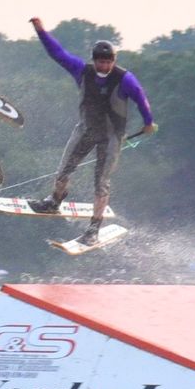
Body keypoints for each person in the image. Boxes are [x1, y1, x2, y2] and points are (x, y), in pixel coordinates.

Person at [26, 17, 158, 245]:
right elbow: (57, 53)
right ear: (94, 60)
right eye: (100, 62)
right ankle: (54, 201)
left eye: (108, 62)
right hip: (86, 131)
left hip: (111, 138)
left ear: (114, 60)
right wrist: (40, 30)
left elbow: (141, 98)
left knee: (101, 182)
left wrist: (148, 122)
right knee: (63, 171)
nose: (104, 66)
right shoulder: (81, 70)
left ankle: (93, 229)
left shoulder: (125, 79)